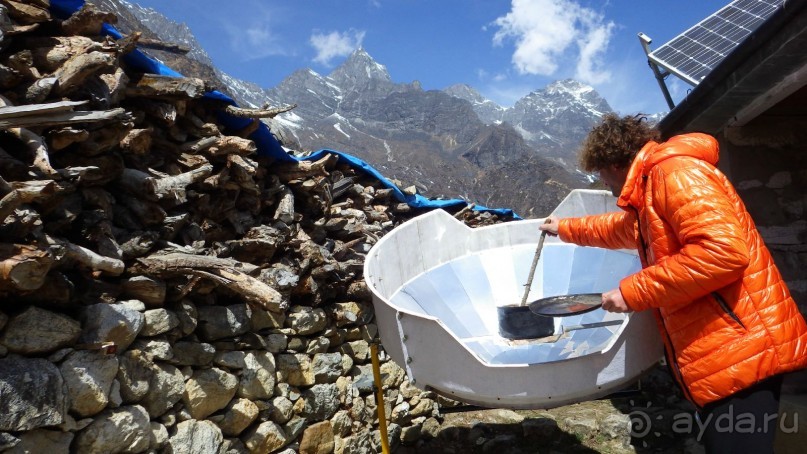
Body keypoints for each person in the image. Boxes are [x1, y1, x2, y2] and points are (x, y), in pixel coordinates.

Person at [539, 113, 807, 453]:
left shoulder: (675, 174)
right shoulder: (651, 189)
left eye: (602, 174)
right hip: (726, 350)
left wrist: (631, 291)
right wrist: (563, 228)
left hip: (742, 348)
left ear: (614, 163)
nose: (603, 183)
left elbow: (722, 253)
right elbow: (617, 229)